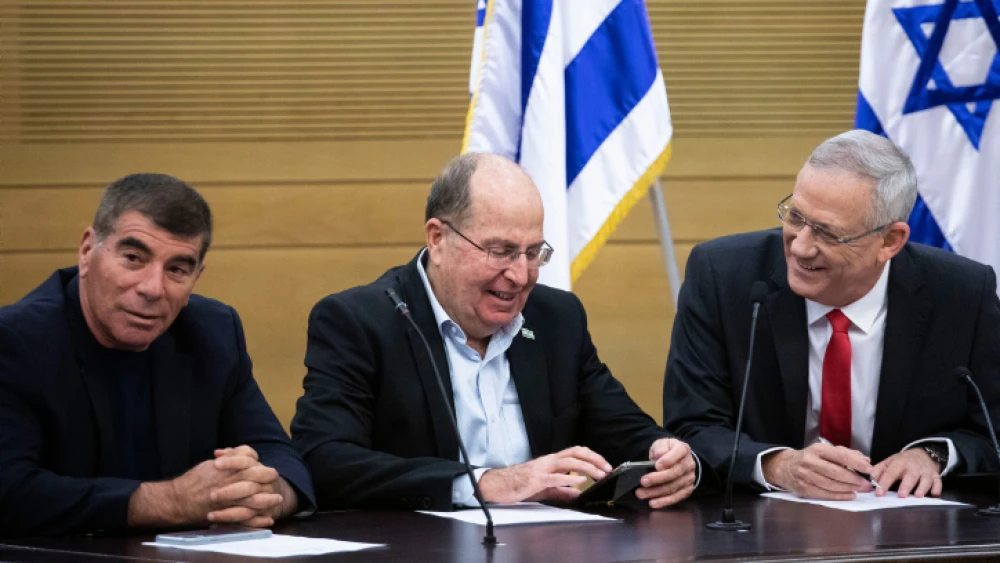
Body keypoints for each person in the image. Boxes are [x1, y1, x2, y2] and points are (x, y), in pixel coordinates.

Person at [292, 153, 703, 511]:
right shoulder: (358, 321)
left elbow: (624, 430)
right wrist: (485, 483)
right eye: (501, 251)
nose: (521, 275)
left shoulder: (556, 318)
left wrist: (664, 456)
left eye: (533, 253)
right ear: (437, 238)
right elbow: (326, 460)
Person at [663, 130, 1000, 501]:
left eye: (827, 233)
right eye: (795, 217)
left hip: (912, 530)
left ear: (890, 241)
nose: (801, 247)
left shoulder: (961, 292)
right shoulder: (724, 276)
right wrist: (778, 465)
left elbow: (992, 427)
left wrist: (933, 455)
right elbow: (690, 425)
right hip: (759, 527)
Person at [0, 173, 315, 538]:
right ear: (87, 251)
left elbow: (279, 455)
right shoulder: (15, 341)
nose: (153, 288)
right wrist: (169, 502)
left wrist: (267, 494)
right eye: (133, 258)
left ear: (198, 274)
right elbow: (10, 490)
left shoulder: (212, 331)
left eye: (177, 270)